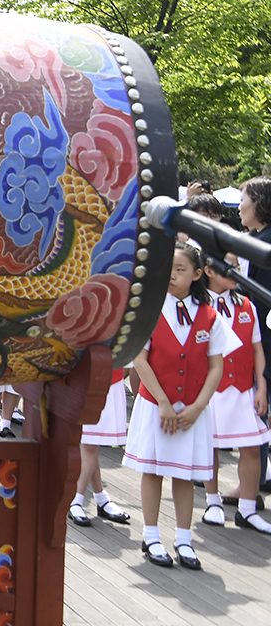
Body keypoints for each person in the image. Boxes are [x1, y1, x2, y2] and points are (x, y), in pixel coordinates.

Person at [123, 242, 236, 569]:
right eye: (167, 269)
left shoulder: (211, 315)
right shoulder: (149, 309)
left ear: (198, 274)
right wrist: (163, 402)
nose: (171, 276)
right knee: (154, 470)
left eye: (180, 269)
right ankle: (151, 535)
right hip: (156, 404)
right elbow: (139, 359)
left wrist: (199, 406)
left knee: (184, 474)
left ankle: (184, 539)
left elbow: (216, 366)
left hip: (192, 410)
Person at [202, 251, 271, 533]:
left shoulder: (247, 305)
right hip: (210, 389)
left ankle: (247, 509)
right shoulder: (196, 305)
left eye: (237, 265)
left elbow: (257, 348)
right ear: (207, 270)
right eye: (228, 266)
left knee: (252, 448)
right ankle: (212, 501)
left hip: (243, 388)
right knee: (210, 447)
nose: (235, 270)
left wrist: (261, 385)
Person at [237, 176, 271, 494]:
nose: (239, 205)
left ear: (258, 203)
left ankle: (253, 483)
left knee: (258, 408)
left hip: (264, 342)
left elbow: (261, 301)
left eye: (243, 198)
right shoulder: (258, 238)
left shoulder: (264, 243)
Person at [68, 364, 133, 528]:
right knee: (90, 443)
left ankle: (99, 497)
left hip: (109, 375)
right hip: (82, 375)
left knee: (91, 443)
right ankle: (76, 499)